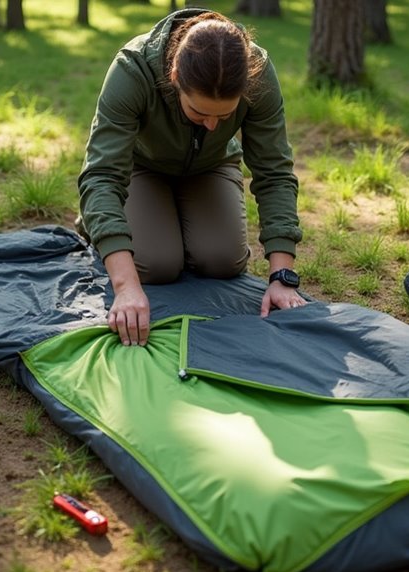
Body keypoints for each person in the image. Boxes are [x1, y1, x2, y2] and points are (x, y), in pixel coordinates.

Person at [77, 8, 305, 347]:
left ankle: (170, 225)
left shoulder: (258, 72)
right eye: (199, 112)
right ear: (174, 77)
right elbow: (102, 176)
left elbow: (274, 172)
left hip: (211, 167)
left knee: (223, 261)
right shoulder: (132, 69)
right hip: (143, 169)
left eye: (224, 116)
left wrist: (282, 276)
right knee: (155, 265)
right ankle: (99, 225)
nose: (212, 125)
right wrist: (125, 288)